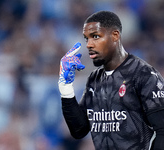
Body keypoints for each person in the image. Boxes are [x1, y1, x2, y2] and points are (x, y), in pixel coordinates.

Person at [58, 11, 164, 150]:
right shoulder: (94, 79)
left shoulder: (143, 75)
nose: (89, 44)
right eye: (86, 39)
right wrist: (66, 89)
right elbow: (79, 130)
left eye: (95, 37)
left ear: (115, 36)